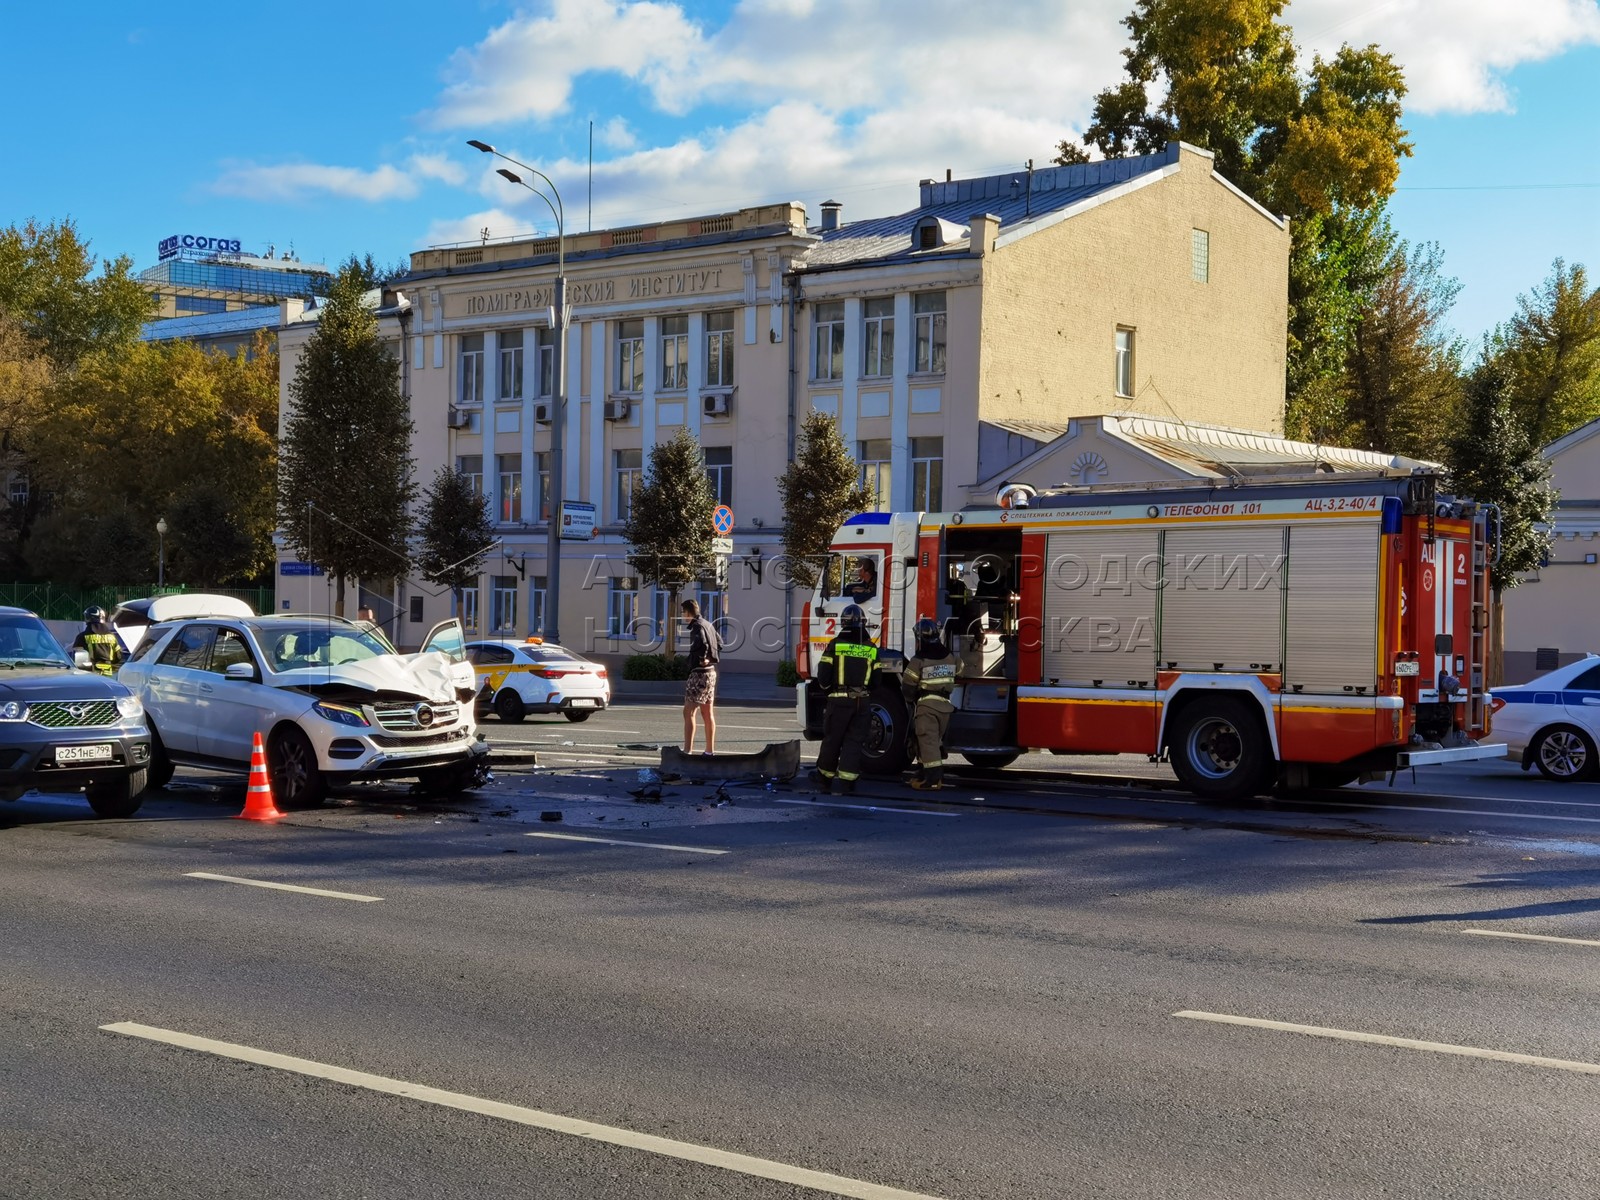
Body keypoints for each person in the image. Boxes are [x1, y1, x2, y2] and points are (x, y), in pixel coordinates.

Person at [810, 603, 881, 795]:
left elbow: (823, 675)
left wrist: (829, 692)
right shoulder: (871, 648)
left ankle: (825, 778)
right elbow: (877, 681)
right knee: (854, 741)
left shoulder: (835, 645)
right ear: (862, 624)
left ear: (843, 623)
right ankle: (848, 782)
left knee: (833, 740)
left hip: (839, 701)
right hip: (863, 703)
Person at [902, 617, 957, 789]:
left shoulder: (918, 660)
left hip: (927, 707)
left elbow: (908, 686)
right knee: (928, 742)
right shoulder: (949, 657)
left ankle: (933, 780)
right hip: (945, 707)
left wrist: (910, 700)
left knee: (927, 741)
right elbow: (961, 668)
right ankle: (921, 774)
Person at [681, 599, 721, 754]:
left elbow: (703, 643)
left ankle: (687, 751)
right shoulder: (708, 624)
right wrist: (711, 659)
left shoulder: (697, 626)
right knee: (707, 712)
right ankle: (709, 751)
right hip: (711, 673)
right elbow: (720, 643)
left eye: (683, 612)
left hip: (699, 673)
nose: (683, 615)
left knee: (688, 711)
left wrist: (703, 658)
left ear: (688, 612)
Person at [71, 606, 126, 676]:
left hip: (89, 675)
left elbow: (76, 658)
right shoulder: (112, 636)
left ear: (88, 618)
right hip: (108, 675)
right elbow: (118, 657)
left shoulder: (82, 637)